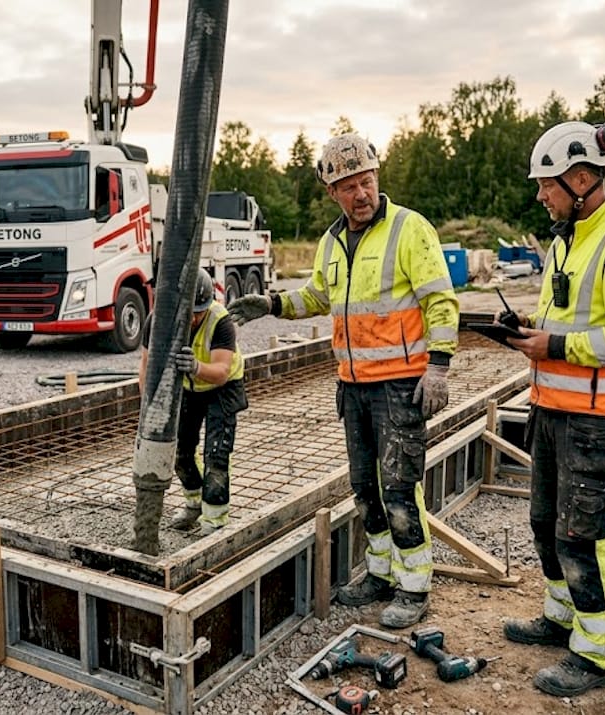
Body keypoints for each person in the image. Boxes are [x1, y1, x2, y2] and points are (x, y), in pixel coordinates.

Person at [228, 133, 459, 628]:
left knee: (399, 486)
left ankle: (414, 586)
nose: (361, 193)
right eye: (349, 186)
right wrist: (270, 304)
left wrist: (438, 367)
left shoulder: (408, 229)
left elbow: (441, 301)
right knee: (364, 486)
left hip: (400, 386)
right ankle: (379, 574)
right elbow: (317, 297)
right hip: (353, 386)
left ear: (378, 177)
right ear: (331, 191)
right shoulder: (332, 241)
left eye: (367, 181)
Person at [499, 121, 605, 697]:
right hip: (554, 409)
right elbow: (570, 321)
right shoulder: (569, 238)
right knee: (546, 523)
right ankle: (561, 619)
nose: (541, 195)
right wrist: (529, 332)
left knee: (584, 536)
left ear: (581, 177)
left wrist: (554, 346)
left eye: (547, 185)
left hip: (599, 420)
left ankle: (595, 657)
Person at [139, 269, 248, 536]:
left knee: (216, 455)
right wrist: (148, 410)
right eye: (188, 311)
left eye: (198, 312)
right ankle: (194, 504)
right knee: (180, 451)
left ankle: (215, 521)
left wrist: (197, 366)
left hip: (223, 388)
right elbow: (145, 367)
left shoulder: (220, 321)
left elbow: (221, 371)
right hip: (189, 388)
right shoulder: (158, 320)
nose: (193, 318)